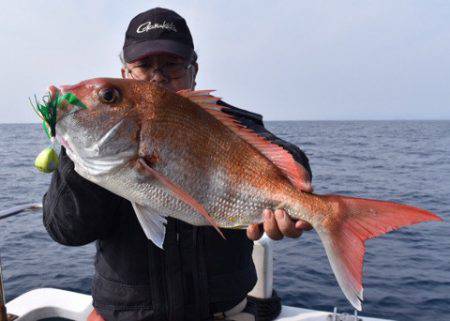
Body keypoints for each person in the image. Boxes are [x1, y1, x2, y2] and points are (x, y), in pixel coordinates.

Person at [43, 7, 313, 321]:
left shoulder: (226, 125)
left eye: (172, 64)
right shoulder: (94, 142)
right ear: (125, 74)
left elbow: (278, 150)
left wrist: (296, 178)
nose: (158, 76)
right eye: (144, 65)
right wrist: (74, 148)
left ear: (193, 70)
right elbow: (65, 231)